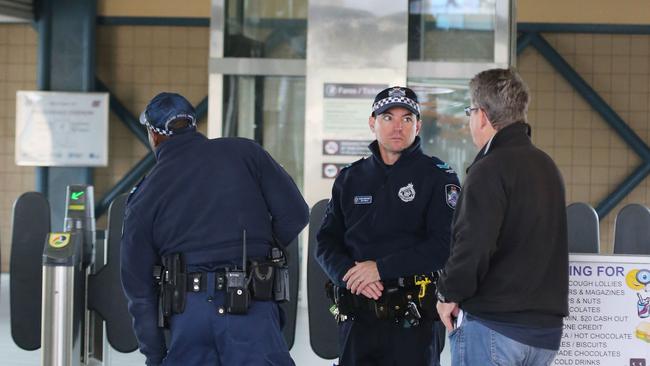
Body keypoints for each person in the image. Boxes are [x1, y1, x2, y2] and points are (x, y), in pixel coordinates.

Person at [120, 92, 309, 366]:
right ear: (193, 125)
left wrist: (156, 355)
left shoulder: (145, 193)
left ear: (153, 134)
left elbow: (138, 289)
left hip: (189, 318)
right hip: (251, 306)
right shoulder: (246, 152)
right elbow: (296, 214)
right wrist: (262, 251)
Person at [316, 86, 460, 366]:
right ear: (373, 123)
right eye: (388, 117)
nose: (398, 126)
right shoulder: (351, 178)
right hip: (357, 316)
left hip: (412, 322)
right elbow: (325, 243)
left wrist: (380, 269)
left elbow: (445, 246)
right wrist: (349, 275)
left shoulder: (437, 177)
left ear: (417, 126)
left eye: (407, 119)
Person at [435, 68, 569, 366]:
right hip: (545, 334)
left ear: (482, 115)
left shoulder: (490, 167)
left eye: (470, 111)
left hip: (495, 325)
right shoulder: (547, 166)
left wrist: (448, 295)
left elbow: (473, 243)